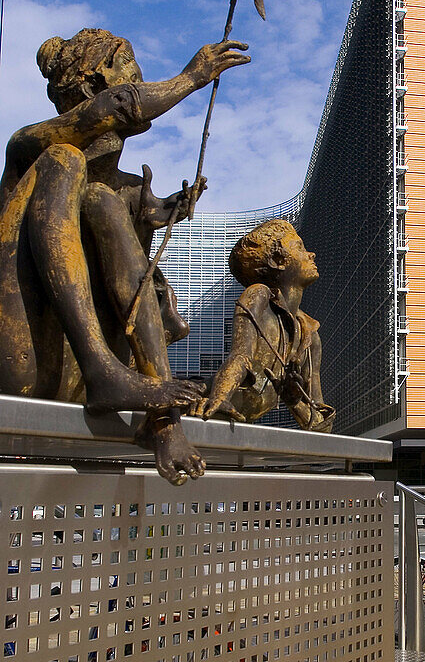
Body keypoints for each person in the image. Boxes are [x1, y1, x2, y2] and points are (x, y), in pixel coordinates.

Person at [0, 27, 249, 483]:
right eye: (130, 72)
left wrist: (162, 210)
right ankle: (104, 371)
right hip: (26, 360)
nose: (141, 81)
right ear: (95, 84)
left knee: (100, 198)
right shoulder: (28, 146)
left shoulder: (125, 191)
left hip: (83, 376)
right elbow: (114, 108)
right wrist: (192, 77)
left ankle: (162, 421)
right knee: (65, 162)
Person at [193, 219, 335, 432]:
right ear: (278, 260)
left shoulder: (310, 335)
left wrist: (294, 401)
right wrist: (220, 397)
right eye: (300, 247)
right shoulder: (259, 295)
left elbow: (320, 428)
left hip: (238, 424)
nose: (311, 254)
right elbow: (240, 355)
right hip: (201, 402)